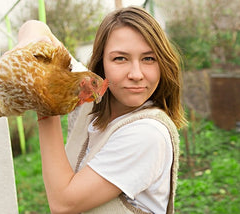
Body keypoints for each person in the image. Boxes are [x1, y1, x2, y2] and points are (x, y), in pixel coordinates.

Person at [15, 6, 186, 214]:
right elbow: (37, 28)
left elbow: (63, 203)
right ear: (101, 65)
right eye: (120, 58)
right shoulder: (92, 94)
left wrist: (47, 104)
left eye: (149, 59)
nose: (136, 74)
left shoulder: (147, 133)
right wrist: (27, 45)